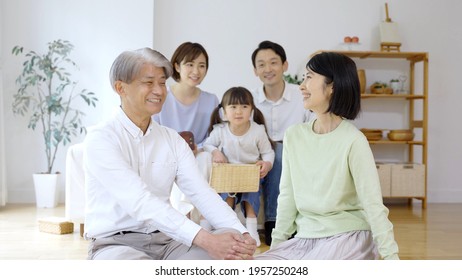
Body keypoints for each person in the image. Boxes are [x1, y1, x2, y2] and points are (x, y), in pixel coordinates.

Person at [83, 48, 256, 260]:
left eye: (162, 83)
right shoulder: (101, 139)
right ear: (120, 87)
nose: (159, 91)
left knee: (233, 244)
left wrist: (243, 233)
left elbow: (202, 193)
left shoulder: (172, 140)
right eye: (148, 83)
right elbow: (140, 202)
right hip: (116, 245)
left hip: (169, 243)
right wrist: (207, 240)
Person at [255, 52, 399, 260]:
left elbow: (373, 204)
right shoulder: (294, 136)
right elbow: (287, 197)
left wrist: (391, 258)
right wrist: (276, 250)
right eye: (303, 78)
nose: (302, 86)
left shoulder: (354, 141)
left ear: (332, 86)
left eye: (310, 77)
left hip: (347, 237)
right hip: (305, 239)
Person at [251, 40, 315, 245]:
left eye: (273, 62)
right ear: (255, 70)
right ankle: (274, 221)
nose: (267, 69)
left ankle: (275, 220)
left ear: (284, 65)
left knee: (279, 151)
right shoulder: (250, 100)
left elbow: (314, 124)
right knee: (274, 152)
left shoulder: (301, 93)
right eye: (261, 64)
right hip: (259, 155)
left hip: (297, 152)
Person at [152, 42, 218, 225]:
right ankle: (188, 218)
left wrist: (199, 147)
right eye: (190, 64)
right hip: (166, 154)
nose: (196, 71)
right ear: (177, 66)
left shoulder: (211, 100)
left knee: (204, 160)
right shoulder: (161, 95)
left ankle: (187, 218)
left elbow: (213, 136)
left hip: (197, 156)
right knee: (181, 164)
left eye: (202, 65)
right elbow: (153, 131)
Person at [203, 87, 274, 247]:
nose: (238, 111)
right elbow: (207, 144)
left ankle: (252, 230)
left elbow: (268, 152)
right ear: (224, 112)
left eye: (244, 106)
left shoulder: (257, 131)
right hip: (229, 175)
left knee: (252, 196)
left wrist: (267, 164)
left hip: (250, 174)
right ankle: (228, 230)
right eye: (233, 107)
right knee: (227, 197)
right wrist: (215, 152)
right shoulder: (220, 131)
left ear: (251, 110)